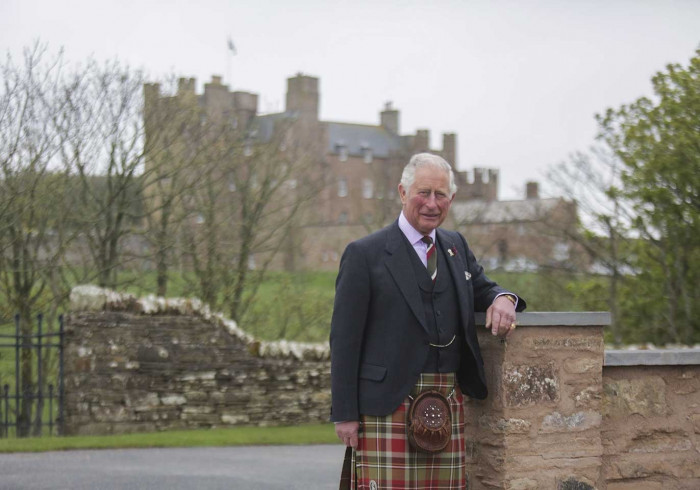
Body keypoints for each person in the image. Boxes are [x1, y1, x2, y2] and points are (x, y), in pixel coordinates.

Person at [330, 153, 526, 489]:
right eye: (423, 193)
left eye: (441, 195)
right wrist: (345, 413)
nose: (432, 204)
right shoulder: (365, 254)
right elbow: (344, 339)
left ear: (451, 199)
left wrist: (503, 299)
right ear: (403, 192)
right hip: (386, 403)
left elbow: (483, 288)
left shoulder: (455, 246)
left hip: (447, 398)